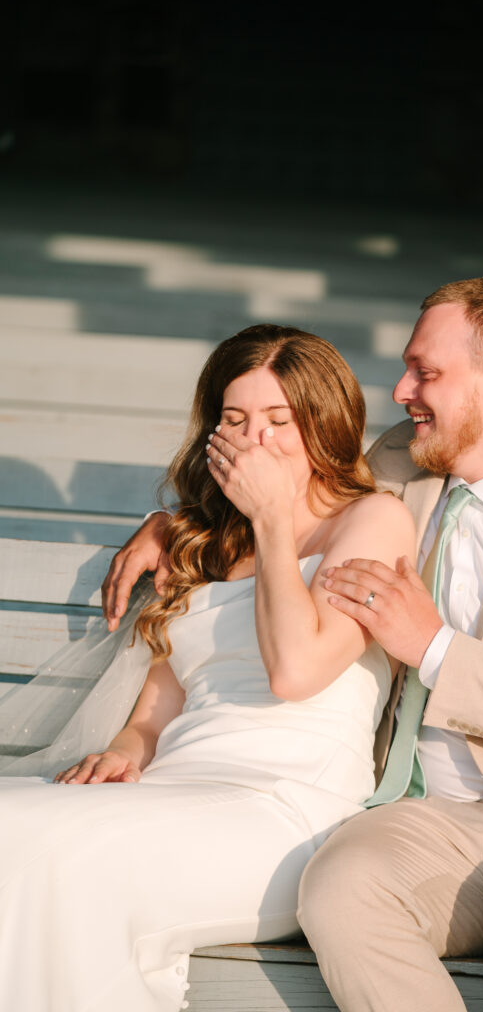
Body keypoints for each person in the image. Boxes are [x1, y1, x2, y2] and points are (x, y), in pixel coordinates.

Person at [102, 279, 483, 1012]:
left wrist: (433, 646)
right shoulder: (399, 463)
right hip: (424, 821)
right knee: (341, 889)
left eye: (426, 372)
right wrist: (174, 527)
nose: (402, 388)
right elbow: (287, 501)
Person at [0, 324, 415, 1012]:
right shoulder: (207, 543)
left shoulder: (372, 521)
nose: (255, 441)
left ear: (323, 424)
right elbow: (154, 716)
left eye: (280, 420)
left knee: (47, 851)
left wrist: (273, 522)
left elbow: (296, 671)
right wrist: (123, 753)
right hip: (173, 788)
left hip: (286, 813)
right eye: (234, 419)